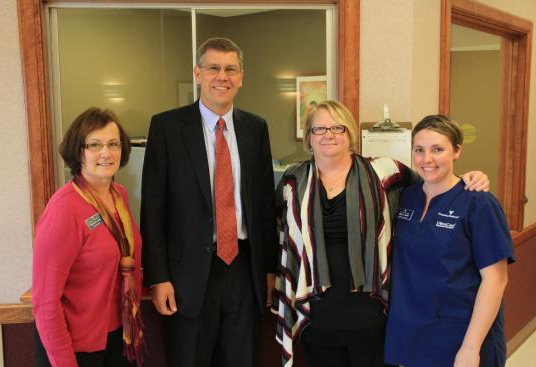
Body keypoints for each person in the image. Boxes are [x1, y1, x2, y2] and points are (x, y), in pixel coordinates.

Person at [272, 101, 489, 367]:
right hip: (316, 315)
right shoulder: (292, 180)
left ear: (350, 133)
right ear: (308, 138)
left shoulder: (385, 172)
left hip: (372, 315)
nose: (329, 135)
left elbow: (434, 183)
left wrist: (468, 176)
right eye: (319, 129)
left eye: (337, 127)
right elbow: (279, 236)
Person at [140, 37, 277, 367]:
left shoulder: (256, 128)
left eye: (231, 69)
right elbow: (153, 209)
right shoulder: (167, 127)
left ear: (241, 77)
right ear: (197, 74)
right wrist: (158, 277)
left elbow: (263, 209)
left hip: (244, 270)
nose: (222, 76)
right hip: (187, 274)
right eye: (213, 68)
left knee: (242, 359)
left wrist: (269, 270)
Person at [384, 115, 514, 367]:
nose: (427, 159)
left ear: (457, 151)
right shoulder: (406, 197)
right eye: (419, 150)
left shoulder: (478, 203)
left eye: (438, 149)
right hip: (411, 333)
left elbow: (496, 280)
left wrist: (470, 348)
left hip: (459, 336)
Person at [33, 108, 144, 367]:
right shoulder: (64, 210)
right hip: (77, 347)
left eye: (113, 144)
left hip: (120, 335)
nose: (106, 153)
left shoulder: (119, 195)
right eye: (95, 144)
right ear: (78, 151)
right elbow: (45, 302)